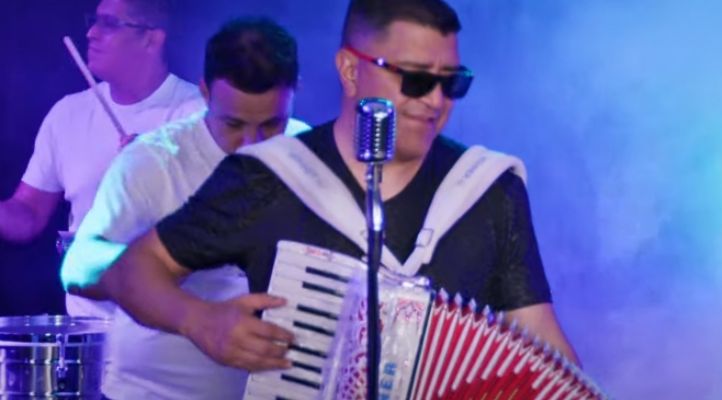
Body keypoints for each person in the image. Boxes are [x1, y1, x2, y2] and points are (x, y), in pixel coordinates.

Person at [89, 0, 580, 373]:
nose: (435, 101)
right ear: (349, 70)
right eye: (414, 79)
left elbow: (540, 339)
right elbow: (132, 271)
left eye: (450, 83)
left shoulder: (488, 189)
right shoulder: (269, 177)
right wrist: (198, 321)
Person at [61, 17, 310, 400]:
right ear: (205, 92)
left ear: (295, 92)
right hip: (153, 393)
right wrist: (166, 274)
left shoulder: (309, 153)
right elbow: (77, 267)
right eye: (233, 124)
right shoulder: (151, 161)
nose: (251, 143)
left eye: (271, 124)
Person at [0, 0, 203, 319]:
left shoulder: (198, 114)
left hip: (170, 329)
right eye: (93, 21)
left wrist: (154, 174)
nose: (91, 33)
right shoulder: (68, 113)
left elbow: (217, 221)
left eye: (109, 24)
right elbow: (28, 213)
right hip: (87, 327)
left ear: (152, 38)